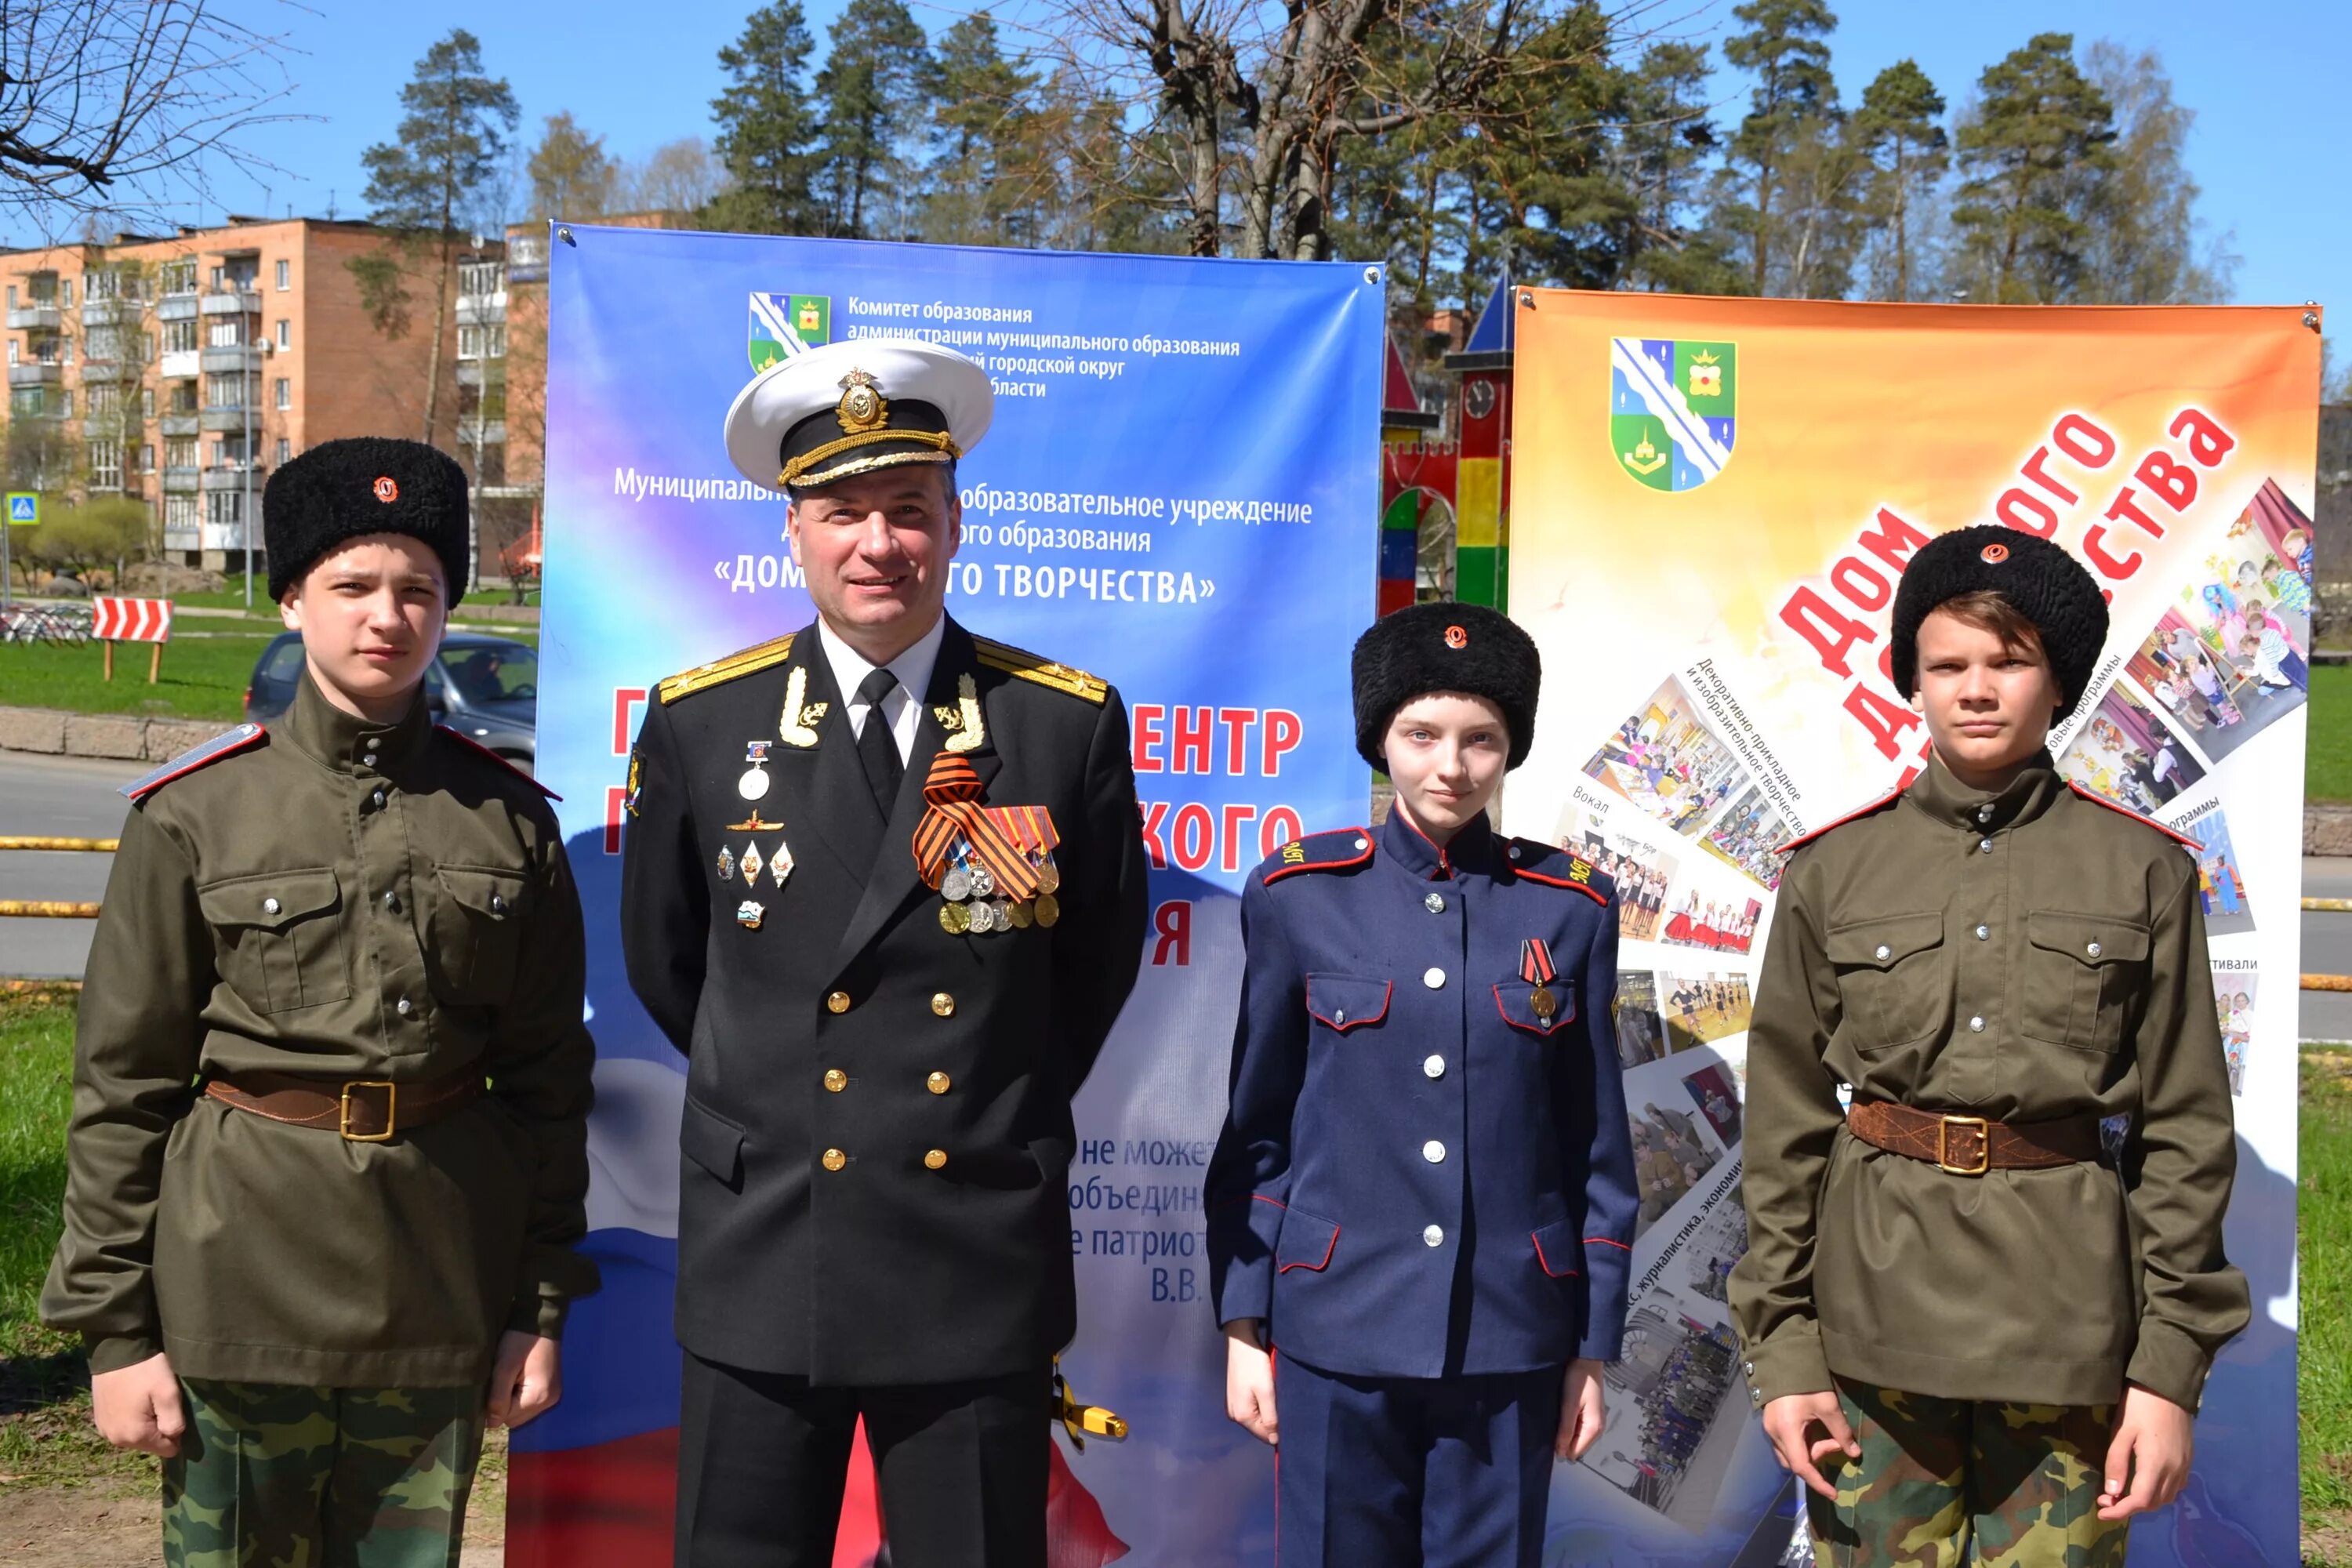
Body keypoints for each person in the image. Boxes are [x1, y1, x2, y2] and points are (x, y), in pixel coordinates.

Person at [621, 337, 1149, 1568]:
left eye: (909, 509)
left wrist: (976, 1113)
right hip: (767, 1239)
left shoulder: (1056, 725)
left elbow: (1091, 972)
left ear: (956, 525)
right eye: (842, 512)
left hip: (968, 1245)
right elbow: (668, 963)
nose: (878, 544)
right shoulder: (705, 723)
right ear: (793, 534)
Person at [42, 437, 598, 1564]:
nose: (387, 616)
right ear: (293, 598)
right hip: (239, 1287)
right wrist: (116, 1332)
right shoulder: (194, 815)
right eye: (353, 585)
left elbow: (550, 1084)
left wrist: (535, 1308)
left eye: (418, 588)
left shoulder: (509, 820)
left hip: (438, 1285)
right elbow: (123, 1089)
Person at [1731, 526, 2248, 1567]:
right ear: (1911, 682)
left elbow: (2187, 1131)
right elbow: (1785, 1123)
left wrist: (2167, 1372)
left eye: (2008, 661)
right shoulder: (1834, 869)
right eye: (1946, 665)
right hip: (1872, 1324)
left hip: (2069, 1329)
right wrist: (1784, 1351)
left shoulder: (2142, 870)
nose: (1975, 690)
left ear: (2059, 683)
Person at [1203, 603, 1638, 1567]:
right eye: (1422, 734)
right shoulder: (1298, 894)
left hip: (1511, 1338)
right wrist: (1242, 1322)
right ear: (1380, 739)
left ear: (1511, 747)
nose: (1452, 765)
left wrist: (1589, 1344)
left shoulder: (1569, 907)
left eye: (1482, 738)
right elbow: (1259, 1128)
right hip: (1334, 1331)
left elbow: (1595, 1144)